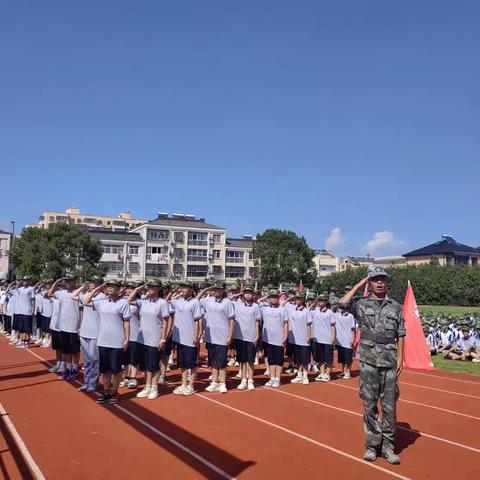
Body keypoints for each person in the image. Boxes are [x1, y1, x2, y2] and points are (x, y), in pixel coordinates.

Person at [340, 266, 405, 465]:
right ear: (370, 282)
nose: (379, 283)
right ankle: (372, 445)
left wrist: (401, 359)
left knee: (389, 405)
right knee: (369, 404)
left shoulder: (395, 306)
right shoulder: (361, 303)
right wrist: (361, 283)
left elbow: (401, 333)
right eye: (375, 279)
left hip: (389, 360)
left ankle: (388, 446)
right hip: (368, 360)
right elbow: (342, 303)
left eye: (382, 280)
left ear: (387, 283)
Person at [84, 279, 131, 405]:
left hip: (117, 341)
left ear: (118, 288)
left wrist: (127, 338)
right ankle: (106, 392)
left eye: (113, 287)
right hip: (103, 340)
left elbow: (126, 322)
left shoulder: (123, 303)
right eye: (108, 287)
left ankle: (114, 392)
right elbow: (86, 301)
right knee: (105, 370)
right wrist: (97, 289)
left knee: (116, 370)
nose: (110, 289)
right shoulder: (101, 302)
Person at [129, 279, 171, 400]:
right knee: (146, 365)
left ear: (159, 289)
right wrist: (138, 289)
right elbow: (129, 300)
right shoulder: (143, 301)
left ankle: (154, 388)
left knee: (154, 365)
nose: (150, 288)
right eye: (149, 287)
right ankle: (147, 387)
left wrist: (163, 339)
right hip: (142, 339)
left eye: (153, 287)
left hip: (155, 339)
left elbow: (166, 321)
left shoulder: (162, 303)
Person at [197, 281, 235, 394]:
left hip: (223, 336)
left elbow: (232, 320)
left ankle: (222, 383)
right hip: (210, 336)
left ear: (223, 290)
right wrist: (206, 289)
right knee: (213, 361)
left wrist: (230, 336)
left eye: (218, 289)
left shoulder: (227, 302)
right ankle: (214, 382)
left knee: (222, 361)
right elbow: (196, 299)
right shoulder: (208, 300)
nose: (216, 291)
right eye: (214, 289)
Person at [167, 282, 203, 396]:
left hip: (190, 338)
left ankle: (191, 385)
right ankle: (183, 384)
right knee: (182, 364)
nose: (182, 290)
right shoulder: (178, 301)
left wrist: (197, 335)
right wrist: (175, 291)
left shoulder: (195, 302)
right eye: (181, 287)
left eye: (184, 288)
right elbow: (166, 300)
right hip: (180, 338)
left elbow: (198, 320)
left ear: (191, 289)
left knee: (191, 364)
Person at [72, 276, 104, 393]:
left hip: (96, 332)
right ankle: (87, 382)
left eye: (93, 283)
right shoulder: (86, 294)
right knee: (87, 360)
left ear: (99, 284)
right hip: (84, 331)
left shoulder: (102, 297)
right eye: (90, 282)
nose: (90, 284)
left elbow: (86, 302)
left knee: (94, 359)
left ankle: (93, 382)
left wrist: (96, 290)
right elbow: (73, 295)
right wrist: (82, 287)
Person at [48, 275, 81, 381]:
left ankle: (74, 370)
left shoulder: (79, 293)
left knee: (75, 351)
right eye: (66, 281)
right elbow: (48, 294)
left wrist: (80, 326)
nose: (67, 283)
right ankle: (67, 370)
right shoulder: (61, 293)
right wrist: (56, 281)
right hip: (63, 326)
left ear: (74, 282)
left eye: (70, 281)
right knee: (66, 351)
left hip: (74, 326)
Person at [232, 284, 261, 391]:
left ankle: (250, 380)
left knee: (250, 360)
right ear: (243, 294)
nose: (248, 295)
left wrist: (257, 335)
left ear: (253, 295)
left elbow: (257, 322)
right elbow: (229, 299)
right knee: (242, 360)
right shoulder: (237, 305)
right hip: (240, 337)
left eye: (250, 293)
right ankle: (243, 379)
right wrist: (239, 293)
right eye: (246, 293)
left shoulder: (256, 306)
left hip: (251, 337)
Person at [260, 289, 289, 388]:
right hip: (267, 339)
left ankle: (278, 378)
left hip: (279, 339)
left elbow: (285, 323)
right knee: (271, 359)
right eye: (271, 297)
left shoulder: (282, 309)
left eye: (276, 297)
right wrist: (264, 298)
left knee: (279, 360)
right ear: (269, 298)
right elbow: (256, 303)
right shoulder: (264, 309)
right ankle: (272, 378)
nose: (274, 299)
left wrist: (285, 336)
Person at [287, 292, 312, 385]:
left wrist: (309, 336)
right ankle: (299, 375)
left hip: (304, 338)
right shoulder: (292, 310)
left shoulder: (306, 311)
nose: (297, 300)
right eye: (296, 298)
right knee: (297, 359)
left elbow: (309, 324)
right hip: (295, 339)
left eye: (299, 298)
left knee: (305, 359)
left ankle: (305, 376)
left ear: (303, 300)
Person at [121, 282, 142, 388]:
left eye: (131, 289)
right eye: (127, 288)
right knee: (125, 359)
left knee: (133, 358)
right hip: (123, 335)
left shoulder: (139, 302)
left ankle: (133, 378)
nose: (129, 290)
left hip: (135, 334)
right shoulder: (121, 301)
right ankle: (126, 377)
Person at [310, 293, 336, 382]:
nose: (321, 302)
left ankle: (327, 374)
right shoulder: (315, 311)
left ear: (326, 302)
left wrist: (333, 338)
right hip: (317, 339)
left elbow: (333, 326)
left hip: (327, 339)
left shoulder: (330, 312)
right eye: (319, 300)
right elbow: (307, 310)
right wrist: (315, 302)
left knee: (328, 358)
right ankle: (322, 373)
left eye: (323, 300)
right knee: (320, 358)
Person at [335, 304, 356, 379]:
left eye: (343, 307)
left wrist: (353, 339)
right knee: (342, 358)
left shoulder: (350, 316)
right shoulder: (337, 315)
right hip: (340, 340)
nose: (341, 309)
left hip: (348, 340)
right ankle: (343, 371)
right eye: (341, 307)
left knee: (348, 358)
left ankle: (348, 372)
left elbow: (353, 329)